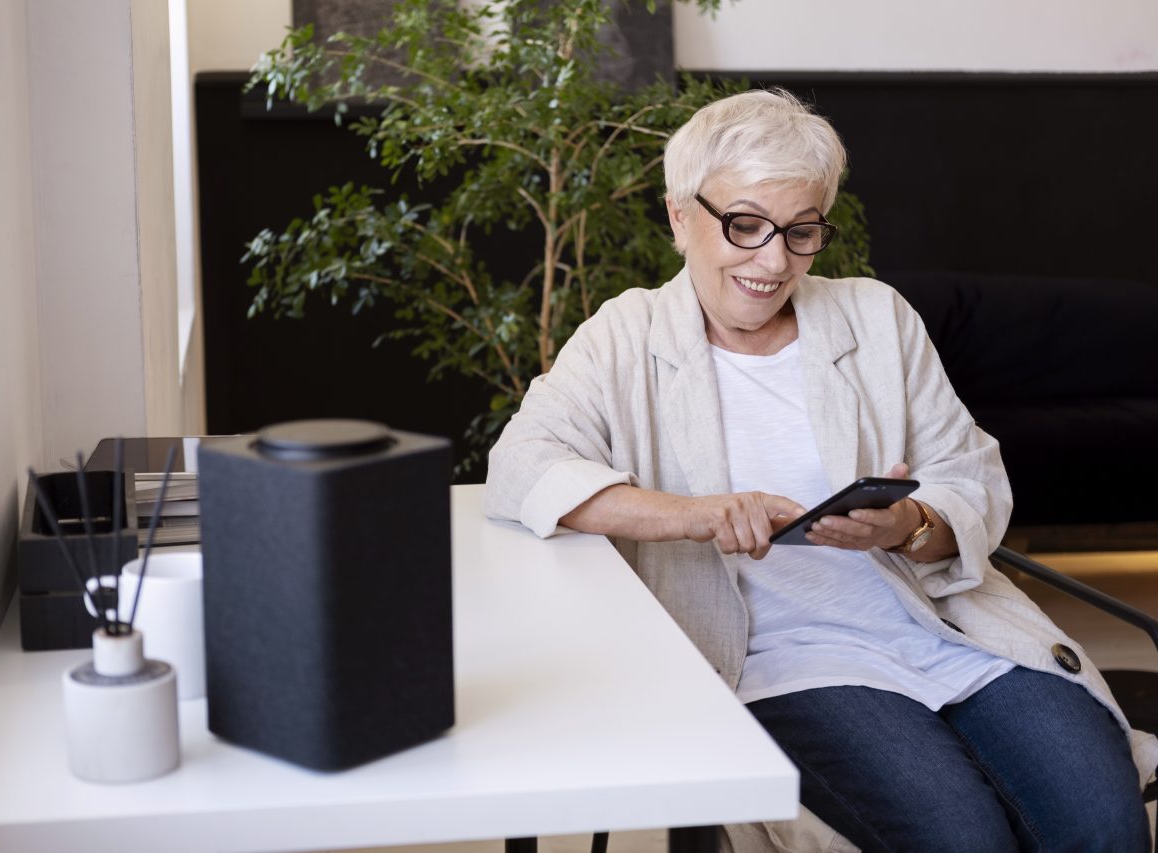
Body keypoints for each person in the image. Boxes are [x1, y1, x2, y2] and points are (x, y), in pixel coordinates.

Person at [484, 88, 1156, 853]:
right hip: (786, 661)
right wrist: (696, 512)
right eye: (745, 226)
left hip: (942, 628)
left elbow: (969, 474)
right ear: (679, 215)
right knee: (962, 838)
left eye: (801, 232)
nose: (774, 262)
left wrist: (911, 524)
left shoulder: (876, 317)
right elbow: (519, 466)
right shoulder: (624, 336)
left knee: (1105, 826)